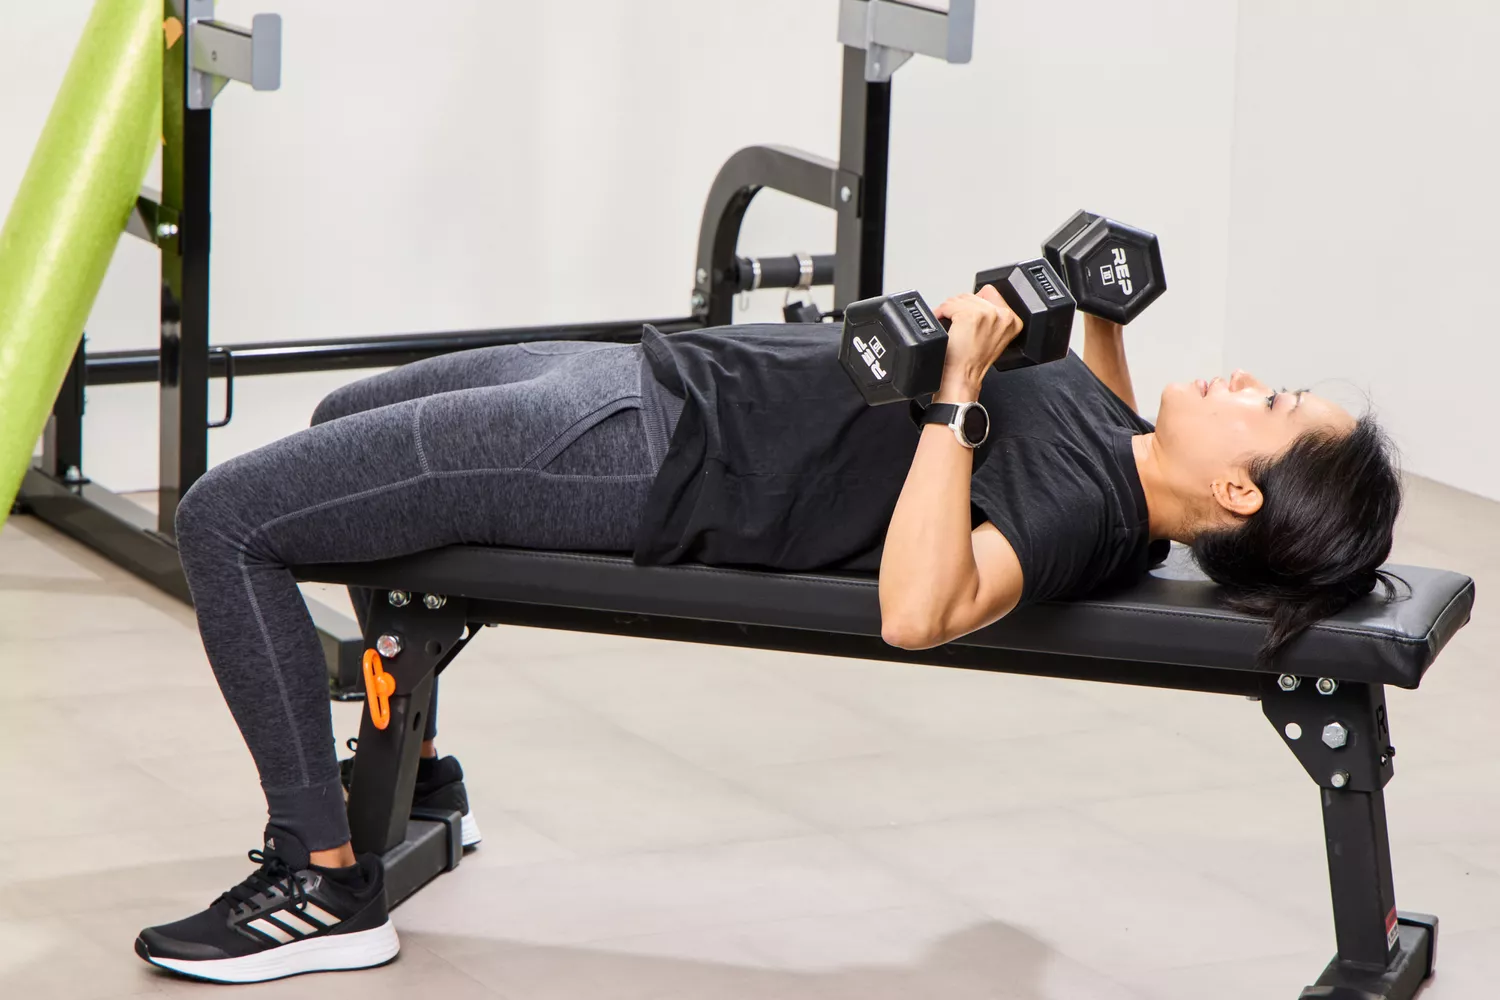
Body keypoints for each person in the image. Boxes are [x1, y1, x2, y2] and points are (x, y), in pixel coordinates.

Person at [134, 286, 1401, 982]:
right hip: (657, 377)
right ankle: (409, 773)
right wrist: (1102, 314)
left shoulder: (1083, 512)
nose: (1251, 380)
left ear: (1239, 492)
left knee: (228, 519)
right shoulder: (1121, 458)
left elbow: (924, 609)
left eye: (1273, 406)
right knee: (342, 417)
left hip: (647, 455)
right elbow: (1104, 443)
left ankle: (326, 876)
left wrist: (956, 396)